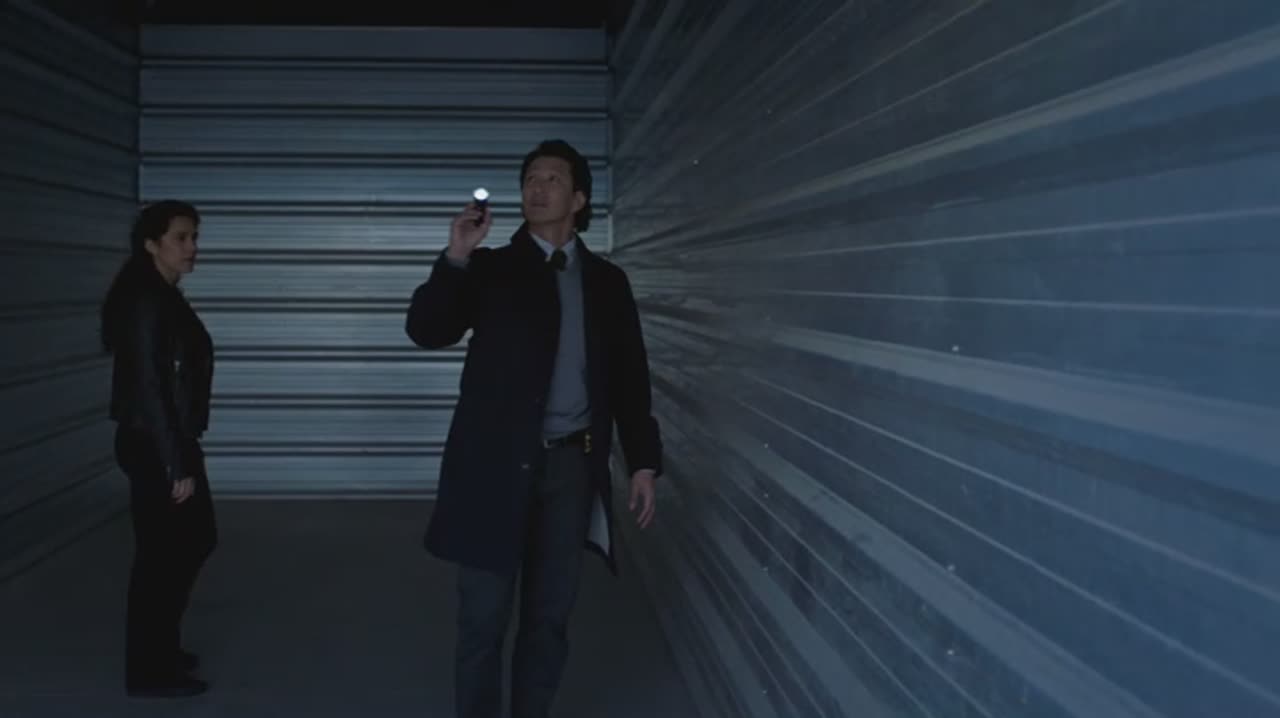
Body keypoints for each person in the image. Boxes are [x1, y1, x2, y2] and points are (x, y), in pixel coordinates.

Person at [405, 139, 663, 718]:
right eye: (530, 179)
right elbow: (427, 330)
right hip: (494, 465)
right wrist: (455, 257)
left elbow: (629, 377)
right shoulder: (490, 269)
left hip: (572, 467)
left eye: (552, 179)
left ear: (579, 199)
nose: (537, 188)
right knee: (483, 615)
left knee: (549, 617)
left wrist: (644, 462)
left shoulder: (606, 282)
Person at [99, 200, 217, 698]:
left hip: (166, 439)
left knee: (188, 543)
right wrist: (174, 463)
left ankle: (160, 648)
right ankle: (149, 669)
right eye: (181, 238)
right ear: (151, 244)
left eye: (194, 237)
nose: (192, 247)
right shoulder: (146, 301)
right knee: (163, 557)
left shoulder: (162, 295)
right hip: (155, 442)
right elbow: (150, 385)